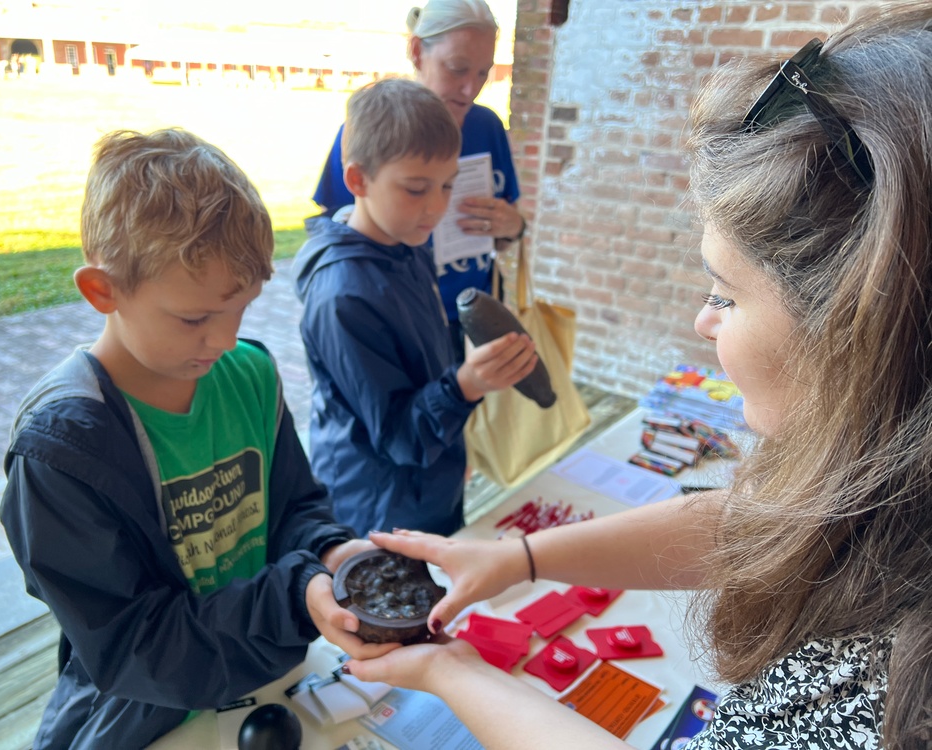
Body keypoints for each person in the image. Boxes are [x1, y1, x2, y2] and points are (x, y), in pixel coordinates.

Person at [343, 5, 932, 748]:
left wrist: (452, 672)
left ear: (859, 325)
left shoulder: (893, 683)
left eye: (724, 292)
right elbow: (760, 523)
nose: (703, 321)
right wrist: (519, 556)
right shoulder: (888, 489)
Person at [0, 128, 393, 749]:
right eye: (194, 318)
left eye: (241, 308)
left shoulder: (250, 375)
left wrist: (327, 552)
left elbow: (294, 504)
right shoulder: (63, 452)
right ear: (103, 290)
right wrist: (293, 595)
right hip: (143, 712)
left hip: (269, 674)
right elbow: (135, 643)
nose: (225, 340)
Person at [293, 78, 537, 538]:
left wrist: (452, 445)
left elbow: (425, 368)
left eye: (447, 186)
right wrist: (467, 384)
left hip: (428, 479)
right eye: (415, 188)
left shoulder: (408, 243)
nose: (436, 208)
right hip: (377, 511)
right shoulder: (343, 296)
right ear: (357, 180)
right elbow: (397, 435)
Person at [312, 0, 525, 362]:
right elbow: (328, 231)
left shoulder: (486, 126)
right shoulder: (370, 130)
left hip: (475, 313)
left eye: (483, 73)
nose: (470, 88)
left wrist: (512, 226)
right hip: (399, 321)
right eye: (457, 69)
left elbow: (507, 224)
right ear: (416, 51)